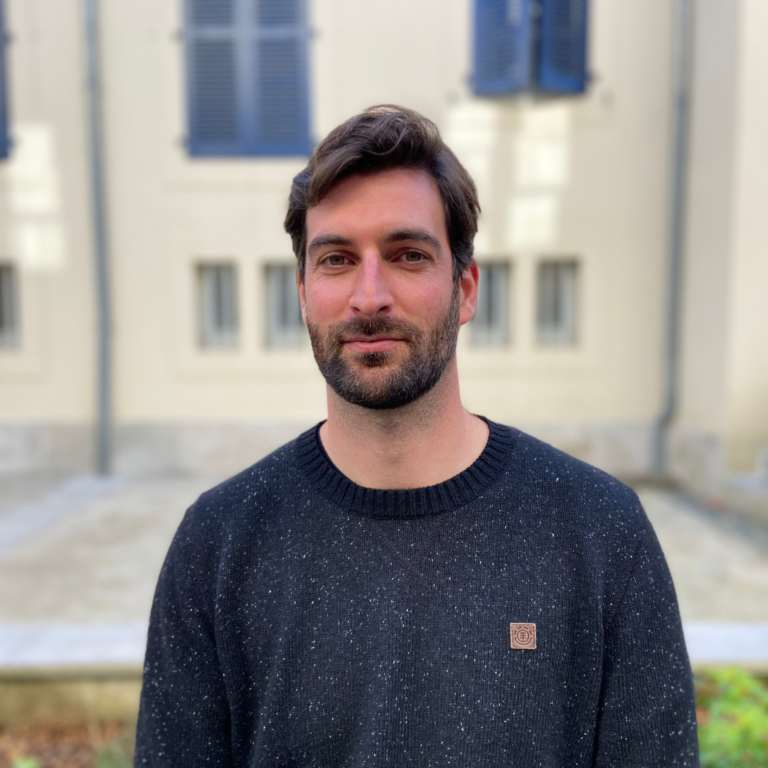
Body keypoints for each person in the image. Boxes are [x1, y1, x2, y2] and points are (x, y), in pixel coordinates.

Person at [135, 105, 699, 767]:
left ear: (466, 289)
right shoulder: (217, 544)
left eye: (407, 256)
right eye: (337, 259)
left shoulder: (601, 533)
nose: (369, 296)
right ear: (304, 293)